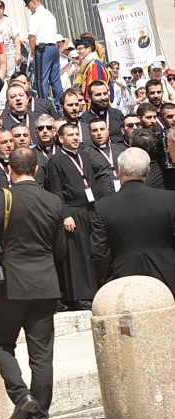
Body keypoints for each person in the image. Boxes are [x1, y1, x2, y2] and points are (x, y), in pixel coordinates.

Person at [0, 147, 66, 419]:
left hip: (12, 284)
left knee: (0, 344)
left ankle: (21, 395)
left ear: (9, 170)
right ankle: (39, 417)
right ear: (36, 169)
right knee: (42, 355)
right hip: (46, 285)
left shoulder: (3, 197)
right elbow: (59, 250)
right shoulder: (53, 201)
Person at [91, 147, 175, 295]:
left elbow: (99, 252)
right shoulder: (170, 199)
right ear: (148, 171)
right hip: (167, 277)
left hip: (123, 279)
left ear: (119, 171)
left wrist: (107, 281)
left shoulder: (103, 206)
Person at [45, 123, 99, 310]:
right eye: (70, 135)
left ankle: (94, 290)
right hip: (72, 211)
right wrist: (65, 215)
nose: (76, 137)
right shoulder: (56, 160)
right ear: (60, 138)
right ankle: (79, 295)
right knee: (76, 255)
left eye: (77, 134)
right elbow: (56, 191)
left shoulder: (84, 155)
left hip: (90, 209)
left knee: (91, 251)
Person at [23, 0, 63, 103]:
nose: (28, 8)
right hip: (53, 48)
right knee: (55, 80)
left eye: (28, 5)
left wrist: (33, 51)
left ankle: (43, 106)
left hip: (43, 49)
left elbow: (32, 37)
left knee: (41, 81)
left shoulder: (36, 15)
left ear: (34, 2)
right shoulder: (49, 14)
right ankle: (60, 106)